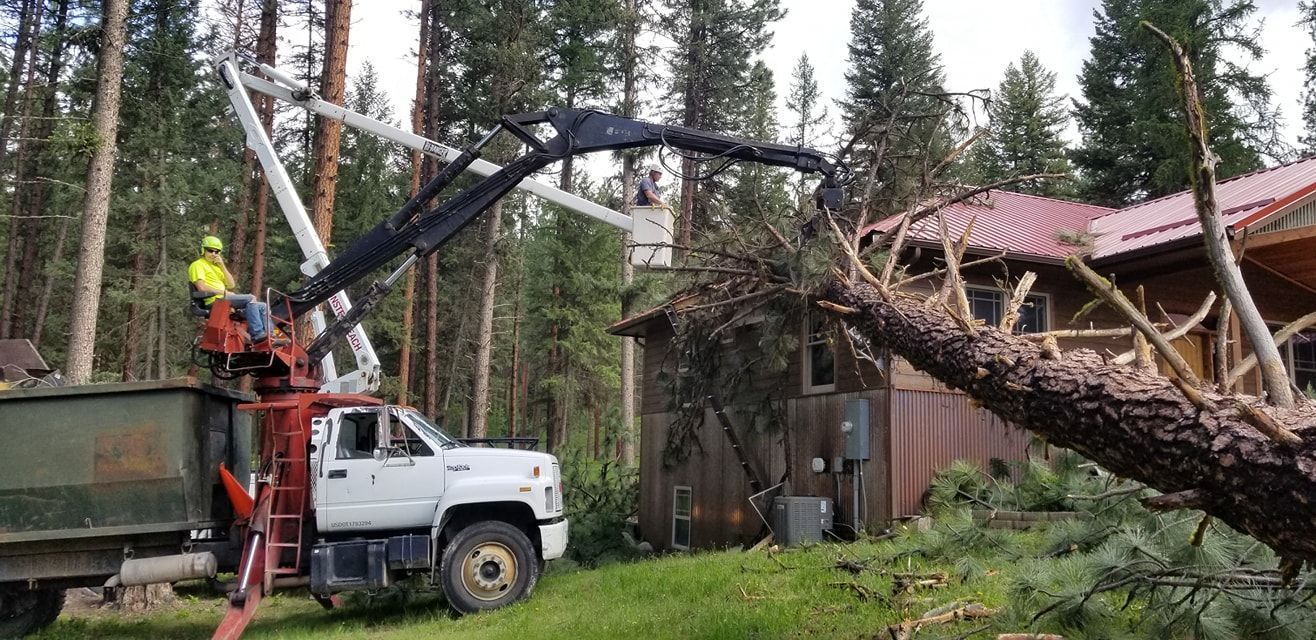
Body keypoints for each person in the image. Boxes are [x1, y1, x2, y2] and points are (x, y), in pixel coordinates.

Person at [188, 235, 274, 343]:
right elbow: (201, 288)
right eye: (210, 251)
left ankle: (270, 336)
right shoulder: (197, 265)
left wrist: (222, 266)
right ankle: (257, 334)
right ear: (203, 250)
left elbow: (231, 284)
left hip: (224, 298)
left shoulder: (216, 267)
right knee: (250, 298)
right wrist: (224, 292)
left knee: (262, 306)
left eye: (217, 252)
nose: (213, 254)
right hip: (214, 300)